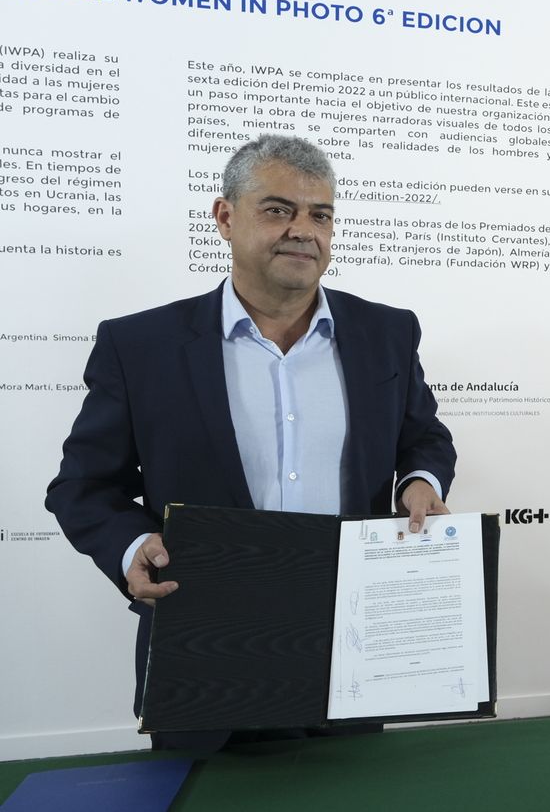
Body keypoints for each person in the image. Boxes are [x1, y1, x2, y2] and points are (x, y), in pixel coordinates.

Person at [45, 134, 456, 748]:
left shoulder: (386, 333)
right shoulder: (140, 347)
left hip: (355, 646)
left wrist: (421, 481)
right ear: (225, 217)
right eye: (277, 209)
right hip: (205, 649)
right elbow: (82, 486)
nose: (303, 229)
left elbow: (424, 437)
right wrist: (130, 544)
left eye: (321, 214)